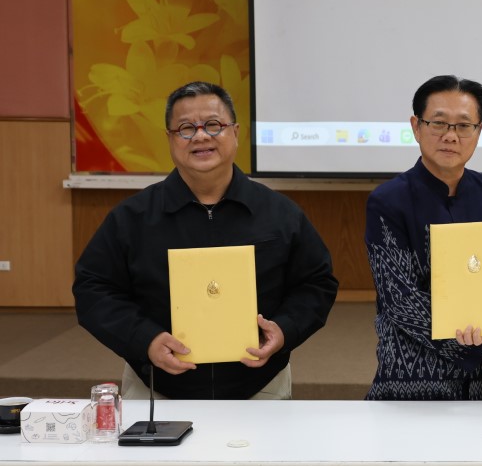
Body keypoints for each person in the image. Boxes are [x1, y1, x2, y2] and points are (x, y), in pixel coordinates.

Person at [73, 81, 339, 400]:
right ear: (170, 139)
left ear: (235, 132)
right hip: (156, 388)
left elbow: (316, 283)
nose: (200, 136)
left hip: (259, 386)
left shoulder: (280, 214)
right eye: (186, 128)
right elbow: (93, 289)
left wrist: (284, 330)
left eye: (213, 125)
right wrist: (145, 339)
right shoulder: (132, 218)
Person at [365, 75, 482, 400]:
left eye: (463, 125)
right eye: (438, 123)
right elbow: (400, 299)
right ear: (416, 126)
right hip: (413, 381)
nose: (450, 136)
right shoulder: (388, 201)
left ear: (479, 131)